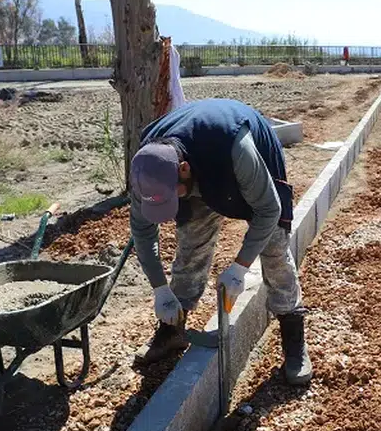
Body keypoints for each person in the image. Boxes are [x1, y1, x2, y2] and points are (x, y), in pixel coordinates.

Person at [128, 98, 311, 385]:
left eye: (173, 196)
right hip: (199, 169)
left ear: (184, 169)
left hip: (236, 161)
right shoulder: (148, 168)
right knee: (191, 244)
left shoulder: (235, 148)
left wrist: (240, 267)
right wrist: (160, 289)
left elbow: (269, 210)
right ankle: (171, 331)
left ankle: (293, 336)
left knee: (273, 247)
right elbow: (142, 232)